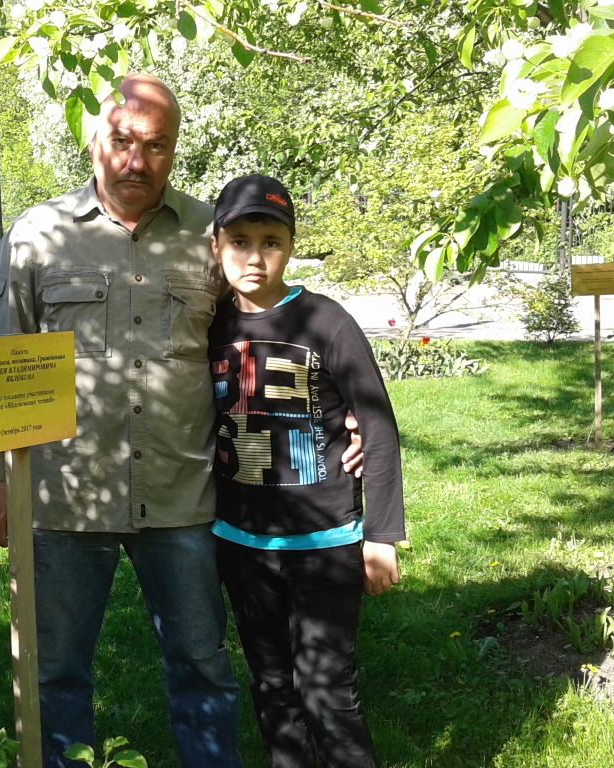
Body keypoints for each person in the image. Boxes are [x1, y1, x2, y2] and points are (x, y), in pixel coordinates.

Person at [0, 74, 244, 768]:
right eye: (122, 141)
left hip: (182, 494)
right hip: (64, 496)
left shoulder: (211, 234)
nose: (136, 161)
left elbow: (256, 341)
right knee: (56, 671)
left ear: (174, 149)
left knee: (202, 664)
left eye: (156, 146)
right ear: (94, 140)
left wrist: (331, 414)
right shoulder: (38, 234)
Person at [206, 173, 405, 768]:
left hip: (325, 540)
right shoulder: (209, 325)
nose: (255, 257)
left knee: (326, 689)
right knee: (271, 685)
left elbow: (378, 427)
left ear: (291, 246)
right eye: (240, 241)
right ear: (217, 245)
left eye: (271, 241)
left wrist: (381, 536)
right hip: (240, 542)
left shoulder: (326, 322)